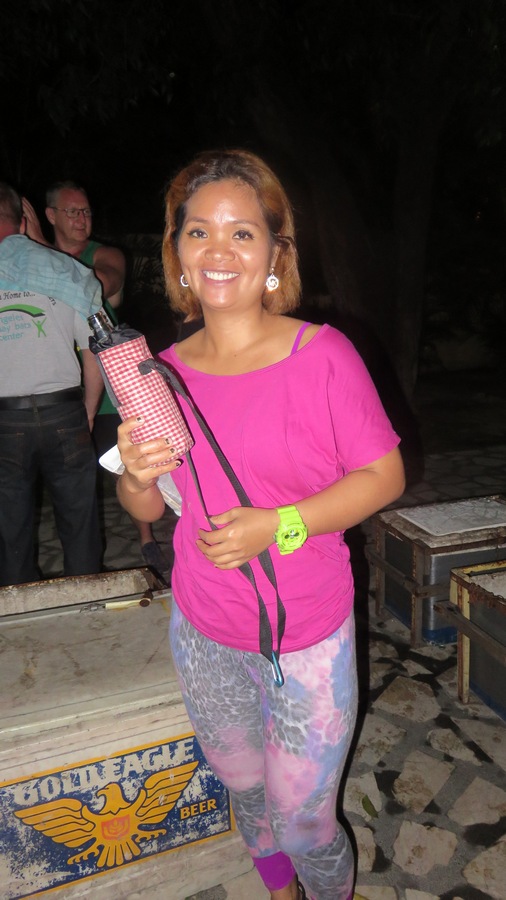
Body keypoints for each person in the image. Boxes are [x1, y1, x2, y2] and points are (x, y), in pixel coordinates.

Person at [115, 150, 405, 900]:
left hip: (305, 635)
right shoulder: (160, 373)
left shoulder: (322, 355)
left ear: (277, 253)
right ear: (177, 252)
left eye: (242, 233)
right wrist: (137, 478)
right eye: (199, 231)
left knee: (304, 823)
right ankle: (280, 894)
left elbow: (385, 477)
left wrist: (278, 525)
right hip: (204, 629)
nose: (219, 250)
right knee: (245, 793)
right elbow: (151, 505)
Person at [23, 182, 170, 582]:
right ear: (50, 215)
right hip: (58, 388)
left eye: (86, 211)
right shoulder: (32, 261)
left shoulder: (104, 255)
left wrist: (39, 248)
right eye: (72, 211)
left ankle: (146, 539)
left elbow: (97, 285)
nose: (82, 219)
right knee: (73, 481)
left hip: (110, 389)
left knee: (133, 468)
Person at [0, 182, 104, 586]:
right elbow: (95, 350)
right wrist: (88, 411)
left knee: (9, 528)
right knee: (80, 519)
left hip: (5, 420)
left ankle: (21, 605)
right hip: (65, 412)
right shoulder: (68, 271)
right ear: (24, 222)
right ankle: (86, 597)